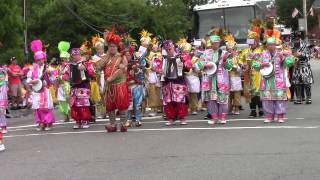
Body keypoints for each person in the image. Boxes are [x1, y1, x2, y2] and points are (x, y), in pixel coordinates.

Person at [253, 37, 294, 123]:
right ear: (266, 46)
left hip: (278, 80)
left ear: (275, 45)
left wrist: (288, 56)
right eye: (269, 44)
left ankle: (280, 116)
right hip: (266, 81)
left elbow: (289, 63)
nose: (271, 46)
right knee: (267, 99)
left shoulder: (280, 54)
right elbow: (255, 65)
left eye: (272, 44)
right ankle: (269, 116)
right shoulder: (263, 55)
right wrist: (262, 65)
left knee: (279, 99)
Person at [95, 30, 129, 133]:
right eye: (110, 46)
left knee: (122, 105)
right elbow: (98, 67)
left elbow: (123, 69)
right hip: (109, 86)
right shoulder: (106, 57)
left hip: (119, 85)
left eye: (113, 46)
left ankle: (124, 123)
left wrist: (111, 78)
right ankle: (113, 124)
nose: (111, 48)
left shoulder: (121, 57)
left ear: (117, 47)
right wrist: (93, 67)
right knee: (110, 107)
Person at [197, 34, 233, 125]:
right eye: (213, 43)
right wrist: (204, 65)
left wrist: (225, 61)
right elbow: (199, 63)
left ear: (219, 43)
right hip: (210, 79)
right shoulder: (206, 52)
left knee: (222, 98)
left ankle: (223, 117)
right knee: (211, 99)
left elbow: (230, 66)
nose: (214, 45)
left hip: (221, 79)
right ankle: (214, 117)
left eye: (216, 43)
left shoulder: (225, 53)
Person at [27, 40, 55, 131]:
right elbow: (28, 80)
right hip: (36, 91)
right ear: (36, 60)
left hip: (45, 90)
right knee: (38, 108)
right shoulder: (33, 69)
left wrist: (50, 73)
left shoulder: (47, 67)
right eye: (38, 60)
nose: (40, 61)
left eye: (41, 59)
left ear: (44, 59)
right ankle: (41, 123)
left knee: (45, 107)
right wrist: (32, 81)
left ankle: (48, 123)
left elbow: (55, 76)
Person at [161, 40, 189, 126]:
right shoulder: (163, 58)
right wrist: (160, 70)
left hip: (179, 82)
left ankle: (182, 118)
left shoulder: (181, 56)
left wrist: (184, 64)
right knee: (168, 101)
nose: (168, 49)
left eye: (170, 47)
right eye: (166, 48)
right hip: (167, 83)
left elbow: (188, 67)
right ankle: (171, 118)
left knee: (180, 100)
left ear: (173, 47)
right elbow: (156, 68)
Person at [238, 31, 265, 118]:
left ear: (256, 41)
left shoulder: (261, 49)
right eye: (250, 41)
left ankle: (261, 109)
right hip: (248, 74)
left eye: (253, 40)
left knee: (258, 92)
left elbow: (265, 58)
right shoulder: (245, 50)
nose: (251, 43)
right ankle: (253, 111)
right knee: (249, 93)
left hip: (258, 74)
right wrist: (242, 64)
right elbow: (240, 59)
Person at [68, 47, 95, 129]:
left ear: (80, 55)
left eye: (77, 55)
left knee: (83, 104)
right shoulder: (70, 65)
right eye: (74, 55)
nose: (75, 56)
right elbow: (66, 74)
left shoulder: (86, 63)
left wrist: (85, 68)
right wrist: (64, 76)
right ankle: (78, 120)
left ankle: (85, 120)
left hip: (83, 86)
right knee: (74, 105)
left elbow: (92, 72)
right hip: (74, 87)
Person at [291, 36, 314, 104]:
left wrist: (301, 54)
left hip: (305, 67)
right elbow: (290, 56)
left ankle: (308, 98)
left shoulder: (306, 46)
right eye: (294, 39)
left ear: (300, 39)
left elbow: (309, 56)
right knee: (297, 83)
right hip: (296, 66)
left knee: (307, 83)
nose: (295, 41)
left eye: (296, 39)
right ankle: (299, 98)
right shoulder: (293, 46)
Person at [225, 34, 242, 115]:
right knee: (228, 94)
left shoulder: (238, 57)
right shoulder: (224, 57)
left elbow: (241, 67)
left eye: (232, 49)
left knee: (237, 93)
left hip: (236, 77)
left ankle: (237, 107)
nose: (230, 51)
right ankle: (229, 107)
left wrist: (237, 68)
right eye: (229, 49)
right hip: (227, 78)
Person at [57, 41, 71, 122]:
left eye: (64, 58)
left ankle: (70, 114)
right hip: (61, 86)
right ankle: (65, 115)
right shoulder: (60, 67)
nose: (63, 60)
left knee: (68, 100)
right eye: (62, 59)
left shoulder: (69, 66)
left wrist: (61, 76)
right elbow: (57, 75)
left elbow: (69, 77)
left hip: (67, 85)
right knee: (61, 101)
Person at [0, 66, 8, 134]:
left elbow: (5, 80)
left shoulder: (2, 71)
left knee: (2, 111)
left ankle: (4, 126)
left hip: (2, 96)